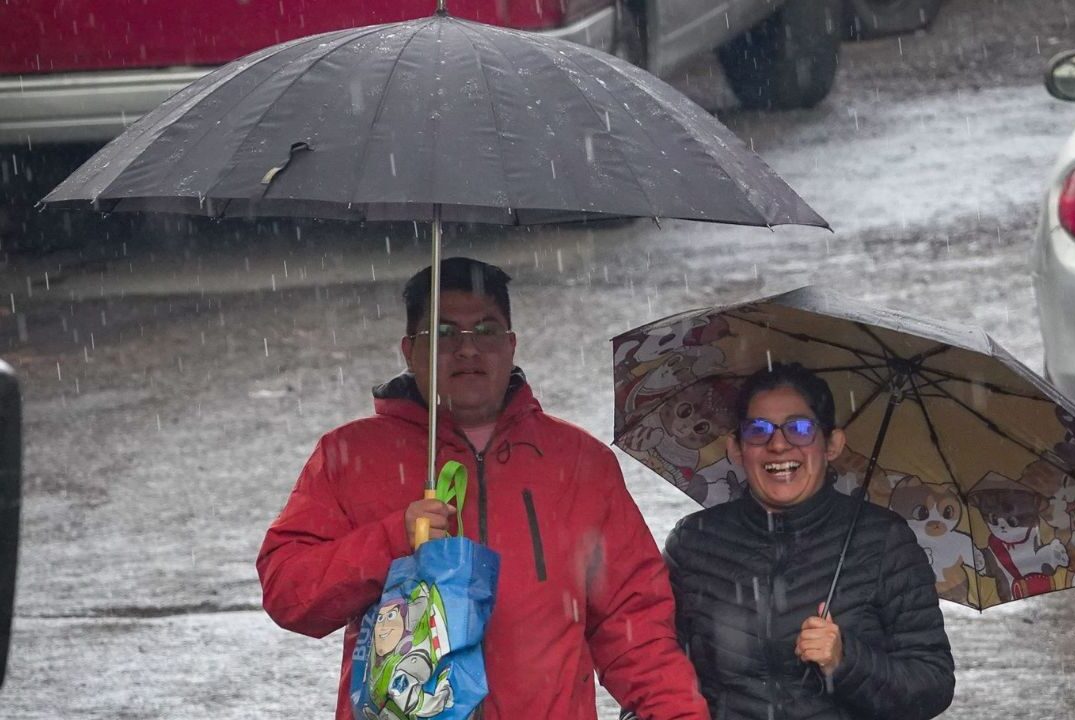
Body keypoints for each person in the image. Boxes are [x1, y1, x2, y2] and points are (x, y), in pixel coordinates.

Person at [257, 257, 708, 720]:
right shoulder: (348, 455)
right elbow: (290, 595)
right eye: (445, 333)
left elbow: (634, 627)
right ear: (410, 350)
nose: (467, 349)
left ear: (511, 345)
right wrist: (391, 540)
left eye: (486, 331)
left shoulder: (579, 462)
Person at [664, 363, 954, 720]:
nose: (779, 445)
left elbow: (932, 687)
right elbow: (651, 682)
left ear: (832, 444)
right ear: (736, 448)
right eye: (758, 430)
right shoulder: (693, 544)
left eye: (800, 429)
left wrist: (845, 661)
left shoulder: (883, 541)